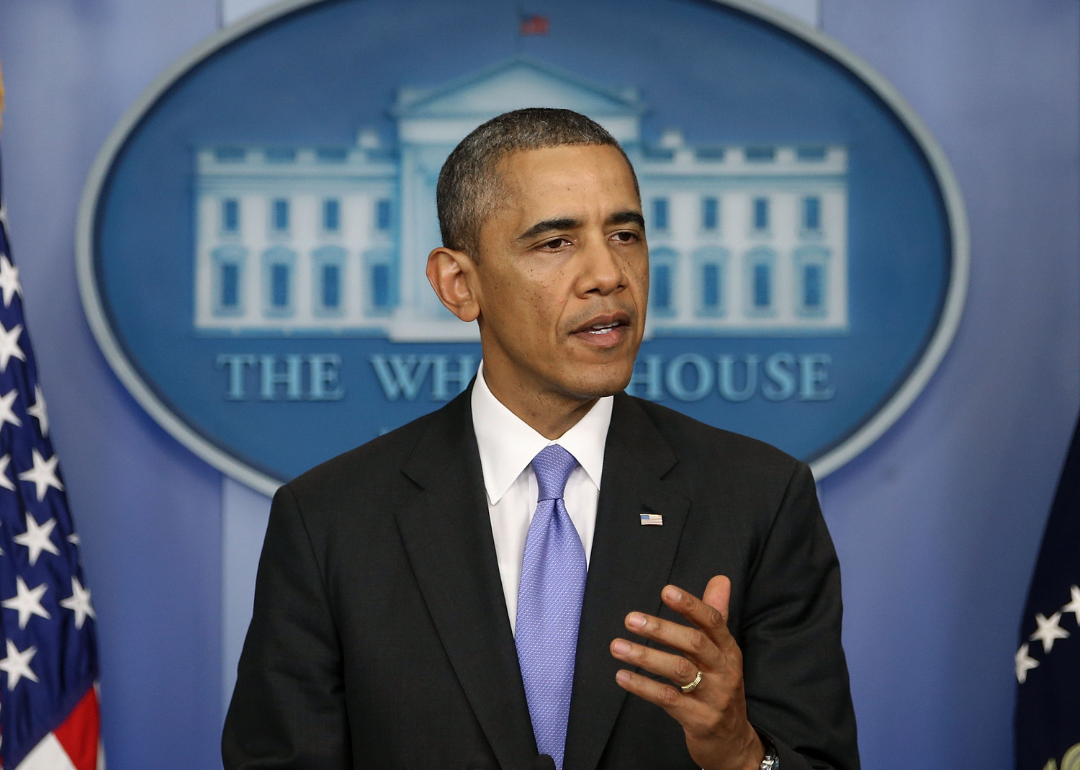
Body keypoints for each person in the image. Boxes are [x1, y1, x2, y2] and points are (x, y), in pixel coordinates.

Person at [222, 108, 859, 770]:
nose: (607, 274)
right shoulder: (329, 520)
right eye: (555, 242)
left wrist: (739, 753)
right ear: (458, 284)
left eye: (624, 234)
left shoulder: (759, 499)